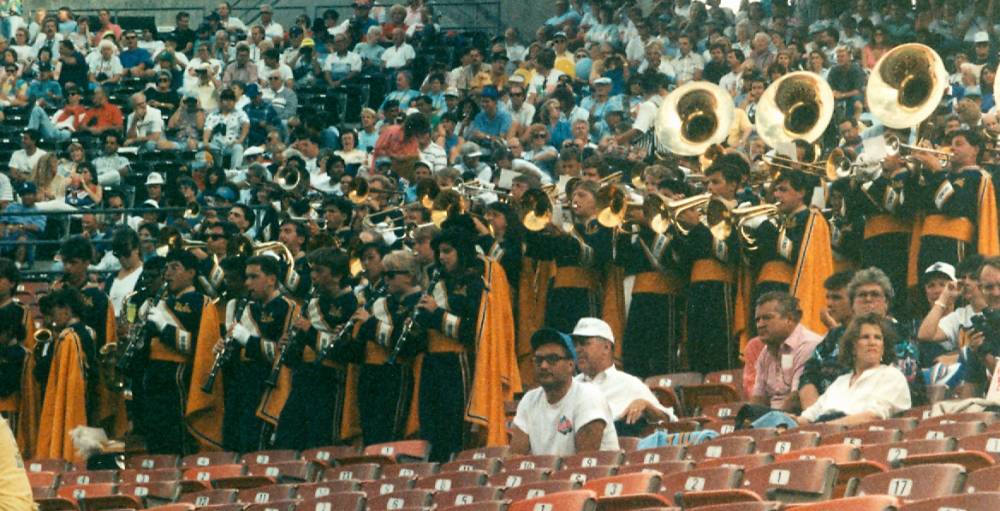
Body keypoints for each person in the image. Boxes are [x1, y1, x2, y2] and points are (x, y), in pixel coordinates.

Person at [139, 250, 221, 454]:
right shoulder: (160, 301)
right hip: (153, 373)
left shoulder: (199, 302)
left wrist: (163, 327)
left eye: (175, 267)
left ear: (191, 272)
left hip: (178, 375)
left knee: (176, 437)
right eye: (166, 268)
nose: (168, 273)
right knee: (154, 437)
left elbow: (198, 346)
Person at [274, 248, 357, 449]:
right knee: (289, 433)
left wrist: (310, 332)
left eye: (319, 271)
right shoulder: (313, 302)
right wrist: (288, 347)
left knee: (321, 439)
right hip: (305, 375)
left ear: (337, 275)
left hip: (330, 379)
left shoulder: (352, 303)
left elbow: (345, 352)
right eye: (312, 270)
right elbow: (299, 351)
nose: (313, 276)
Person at [221, 255, 297, 452]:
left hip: (267, 384)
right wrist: (224, 348)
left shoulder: (287, 307)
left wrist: (247, 340)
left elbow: (284, 354)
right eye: (246, 277)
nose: (248, 283)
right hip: (241, 383)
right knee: (234, 441)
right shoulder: (246, 307)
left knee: (256, 444)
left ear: (271, 279)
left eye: (254, 277)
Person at [510, 327, 619, 456]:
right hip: (549, 474)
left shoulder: (588, 396)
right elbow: (515, 457)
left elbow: (584, 462)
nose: (544, 366)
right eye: (538, 360)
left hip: (591, 474)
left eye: (552, 359)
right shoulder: (529, 399)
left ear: (571, 365)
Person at [350, 249, 417, 446]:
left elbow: (406, 342)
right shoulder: (381, 302)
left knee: (388, 433)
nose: (384, 279)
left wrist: (370, 324)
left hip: (396, 373)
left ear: (409, 276)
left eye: (390, 274)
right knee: (369, 432)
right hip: (371, 373)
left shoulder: (417, 301)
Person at [795, 314, 912, 425]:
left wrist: (825, 427)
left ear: (883, 347)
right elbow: (809, 417)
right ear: (853, 348)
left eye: (878, 338)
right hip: (824, 432)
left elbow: (873, 416)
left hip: (861, 439)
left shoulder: (891, 376)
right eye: (865, 337)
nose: (872, 343)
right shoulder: (841, 381)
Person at [571, 317, 675, 436]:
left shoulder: (629, 383)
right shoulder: (571, 386)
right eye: (575, 344)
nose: (577, 349)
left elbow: (670, 422)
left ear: (606, 347)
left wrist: (646, 405)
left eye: (584, 343)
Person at [34, 287, 96, 462]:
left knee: (72, 453)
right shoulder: (88, 332)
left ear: (67, 310)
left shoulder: (67, 337)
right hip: (88, 399)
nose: (51, 319)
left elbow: (43, 372)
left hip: (72, 401)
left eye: (54, 313)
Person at [748, 292, 822, 411]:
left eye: (767, 318)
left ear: (789, 319)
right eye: (757, 320)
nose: (760, 325)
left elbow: (796, 400)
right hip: (772, 420)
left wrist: (770, 422)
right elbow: (758, 397)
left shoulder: (808, 345)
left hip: (795, 420)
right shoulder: (765, 353)